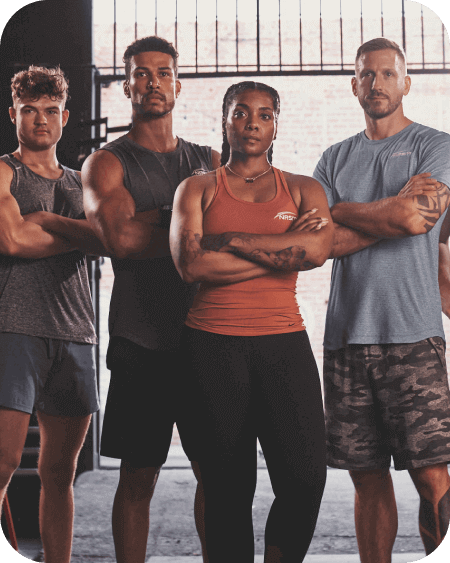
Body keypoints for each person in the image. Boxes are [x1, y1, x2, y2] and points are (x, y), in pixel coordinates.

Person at [170, 80, 334, 563]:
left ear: (277, 125)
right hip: (211, 346)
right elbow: (192, 266)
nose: (252, 123)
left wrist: (235, 240)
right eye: (241, 113)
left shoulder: (304, 188)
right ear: (225, 121)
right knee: (226, 488)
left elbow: (319, 251)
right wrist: (286, 251)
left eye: (264, 114)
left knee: (305, 477)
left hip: (283, 342)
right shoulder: (197, 188)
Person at [81, 36, 220, 563]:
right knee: (138, 478)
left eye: (163, 73)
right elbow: (120, 240)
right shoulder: (106, 163)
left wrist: (153, 219)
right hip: (141, 341)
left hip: (205, 337)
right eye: (142, 73)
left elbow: (224, 235)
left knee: (215, 471)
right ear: (126, 86)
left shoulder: (206, 158)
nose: (153, 82)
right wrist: (187, 221)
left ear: (178, 85)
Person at [313, 38, 450, 562]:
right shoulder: (335, 157)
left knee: (433, 479)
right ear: (354, 85)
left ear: (406, 82)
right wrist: (391, 211)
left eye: (388, 74)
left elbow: (415, 218)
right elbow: (321, 243)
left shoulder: (433, 145)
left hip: (413, 337)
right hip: (347, 339)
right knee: (366, 481)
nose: (377, 83)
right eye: (367, 75)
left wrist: (344, 209)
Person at [0, 65, 107, 563]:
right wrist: (72, 233)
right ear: (13, 114)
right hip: (15, 330)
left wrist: (43, 219)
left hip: (76, 333)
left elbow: (112, 240)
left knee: (59, 473)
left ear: (64, 116)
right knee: (1, 466)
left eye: (48, 110)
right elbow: (12, 240)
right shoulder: (4, 172)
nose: (39, 119)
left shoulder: (83, 180)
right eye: (28, 110)